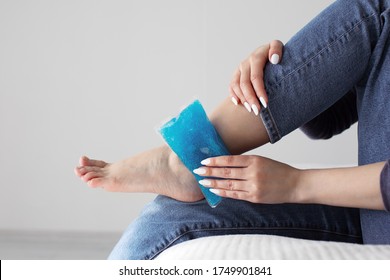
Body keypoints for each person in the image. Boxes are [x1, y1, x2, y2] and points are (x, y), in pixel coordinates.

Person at [75, 0, 390, 259]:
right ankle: (184, 158)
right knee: (166, 220)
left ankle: (182, 159)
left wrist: (295, 184)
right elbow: (331, 119)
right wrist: (295, 72)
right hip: (373, 206)